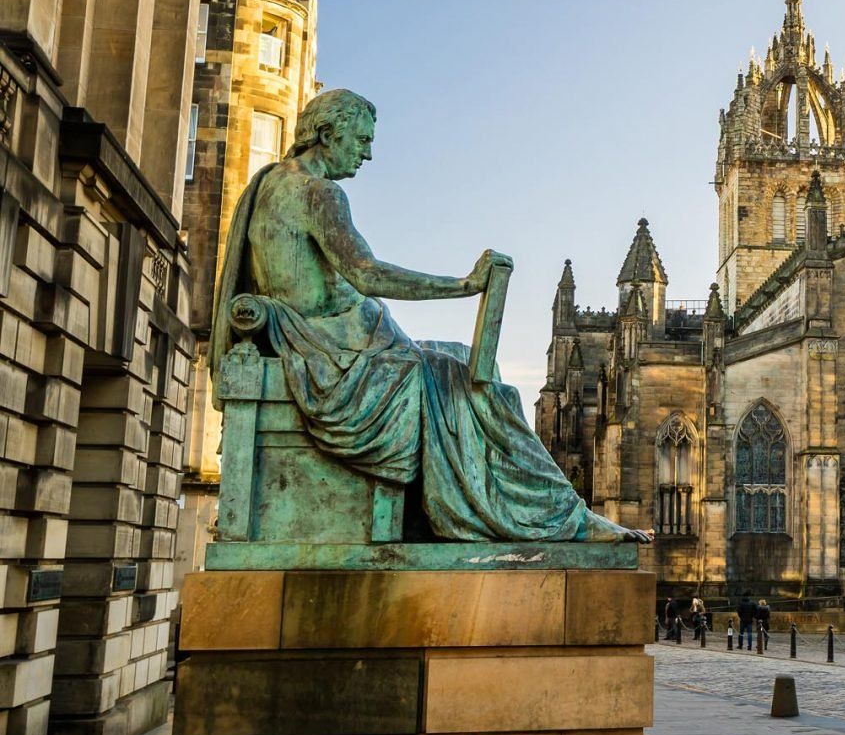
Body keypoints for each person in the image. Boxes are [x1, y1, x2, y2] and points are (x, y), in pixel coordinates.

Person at [213, 89, 650, 544]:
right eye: (360, 140)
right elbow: (368, 273)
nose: (368, 152)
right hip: (337, 354)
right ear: (326, 134)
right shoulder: (320, 193)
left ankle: (545, 509)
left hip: (333, 342)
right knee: (476, 388)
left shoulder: (268, 183)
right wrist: (464, 285)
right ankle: (564, 517)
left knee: (465, 357)